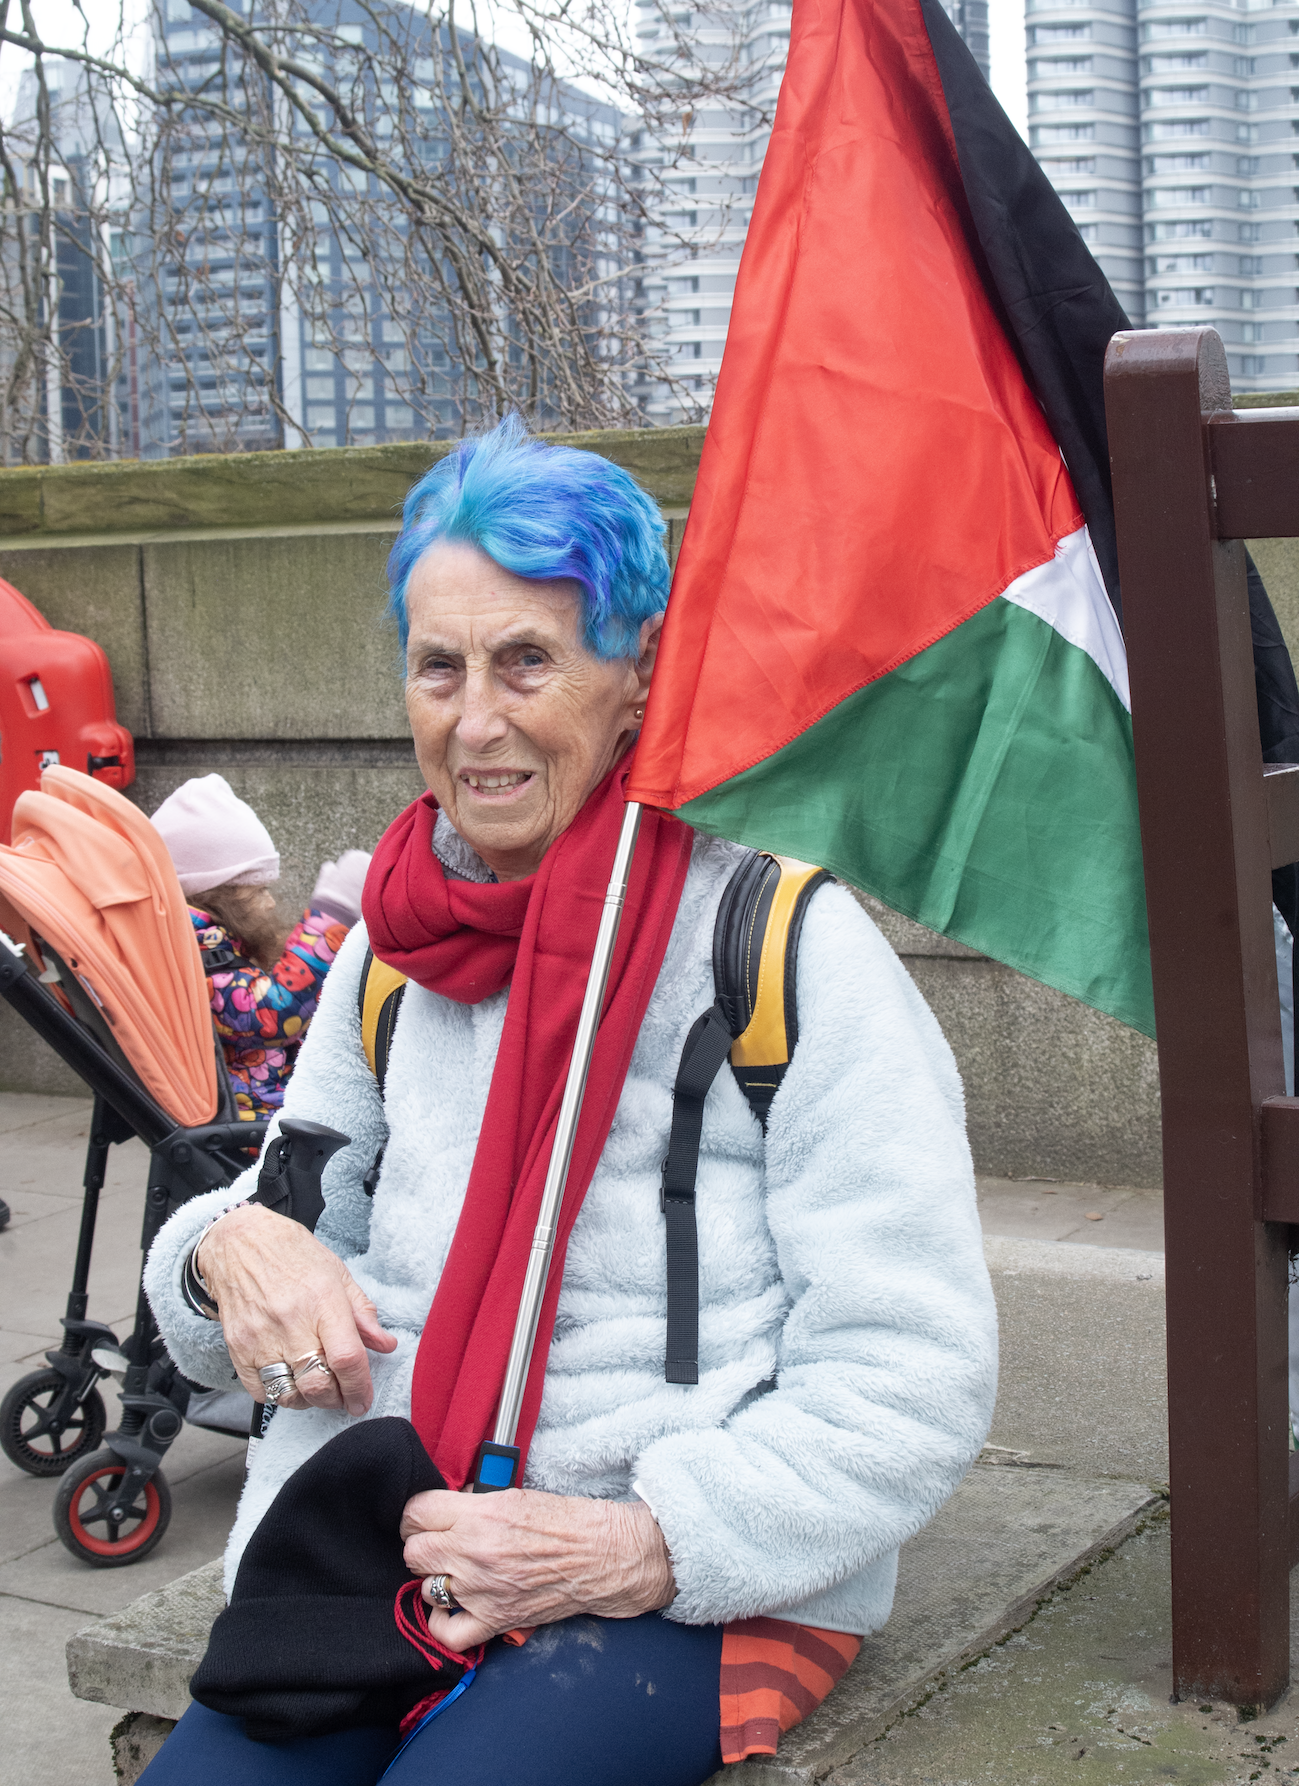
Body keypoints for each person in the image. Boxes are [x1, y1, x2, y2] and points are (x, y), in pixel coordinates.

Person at [140, 417, 998, 1785]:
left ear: (637, 673)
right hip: (387, 1547)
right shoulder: (382, 949)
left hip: (689, 1567)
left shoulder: (778, 945)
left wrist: (642, 1539)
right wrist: (225, 1251)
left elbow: (912, 1373)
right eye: (437, 665)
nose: (472, 719)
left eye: (526, 660)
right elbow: (271, 1232)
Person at [151, 773, 369, 1118]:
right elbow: (274, 1013)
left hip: (269, 1103)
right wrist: (332, 916)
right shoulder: (200, 960)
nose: (269, 904)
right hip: (261, 1120)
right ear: (213, 895)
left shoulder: (205, 949)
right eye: (257, 891)